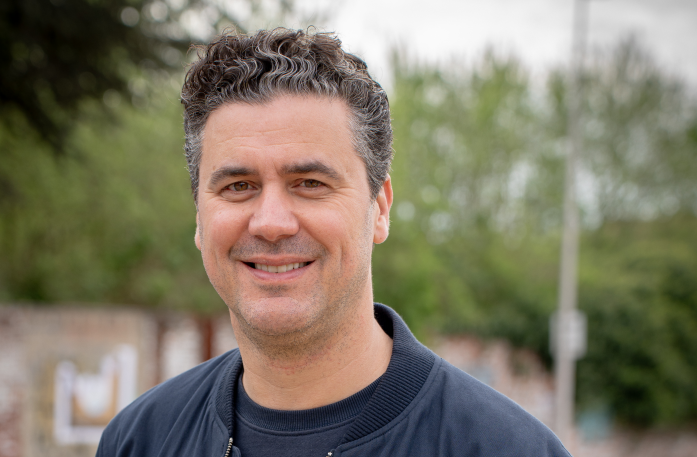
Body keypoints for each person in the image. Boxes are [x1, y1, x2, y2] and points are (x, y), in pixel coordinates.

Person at [97, 28, 571, 457]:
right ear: (200, 217)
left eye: (310, 183)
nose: (271, 224)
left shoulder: (507, 448)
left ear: (379, 208)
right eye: (238, 186)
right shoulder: (139, 440)